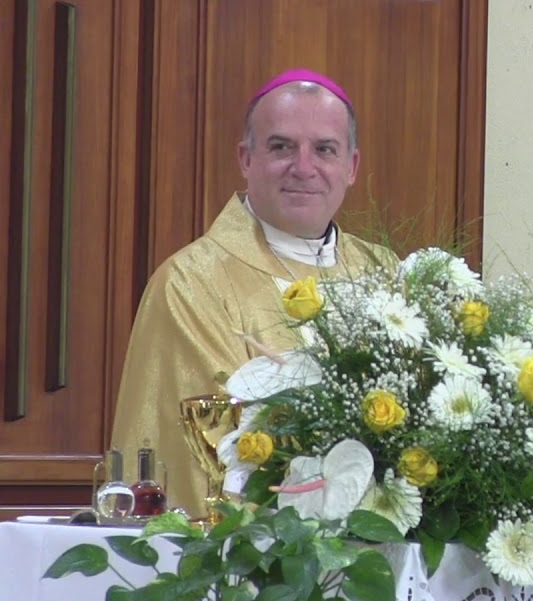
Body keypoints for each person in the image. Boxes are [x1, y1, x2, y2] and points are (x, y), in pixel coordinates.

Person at [111, 69, 397, 516]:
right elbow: (223, 450)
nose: (304, 168)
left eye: (324, 149)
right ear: (245, 159)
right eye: (281, 147)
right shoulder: (191, 283)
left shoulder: (386, 272)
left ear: (352, 167)